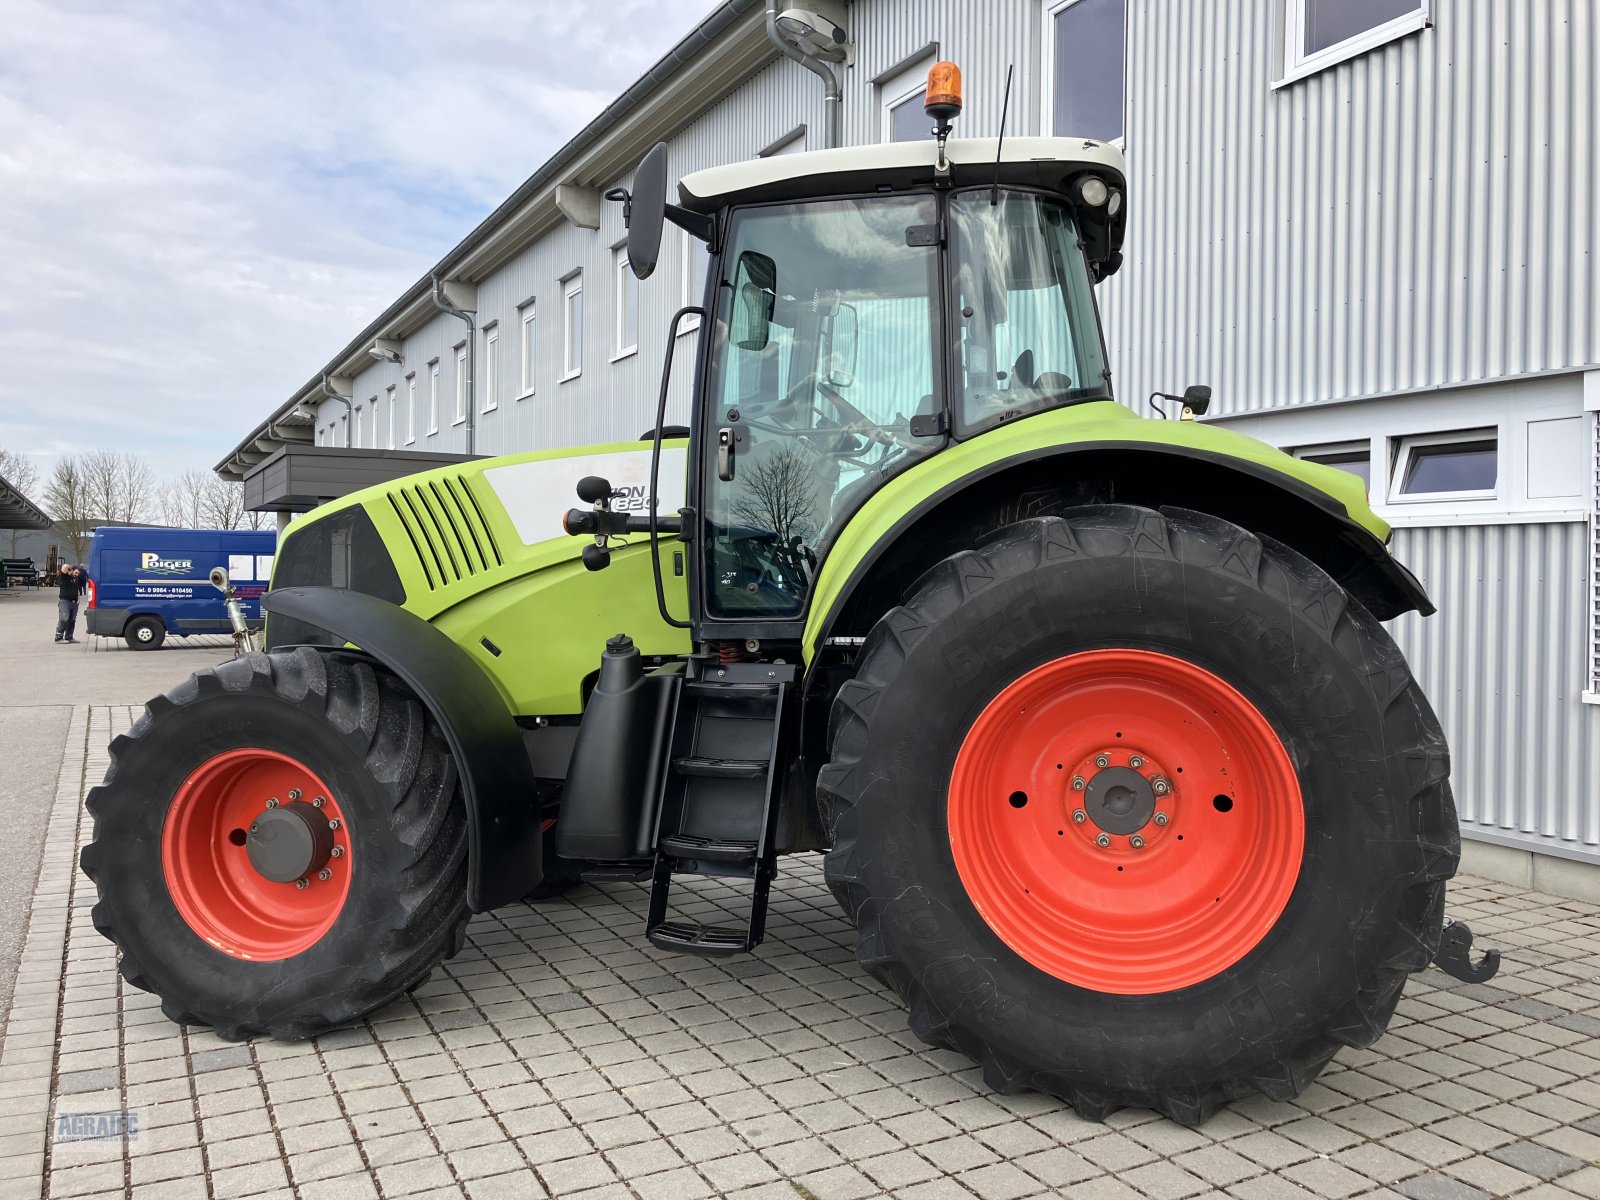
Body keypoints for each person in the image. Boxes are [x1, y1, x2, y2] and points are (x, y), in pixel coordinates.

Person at [56, 564, 88, 644]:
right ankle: (58, 637)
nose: (77, 575)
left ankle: (69, 636)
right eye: (76, 573)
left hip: (74, 603)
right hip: (65, 601)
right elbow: (64, 567)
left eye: (78, 574)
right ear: (71, 571)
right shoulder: (65, 577)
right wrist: (69, 568)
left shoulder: (76, 580)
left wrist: (78, 599)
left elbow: (76, 590)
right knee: (64, 619)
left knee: (72, 620)